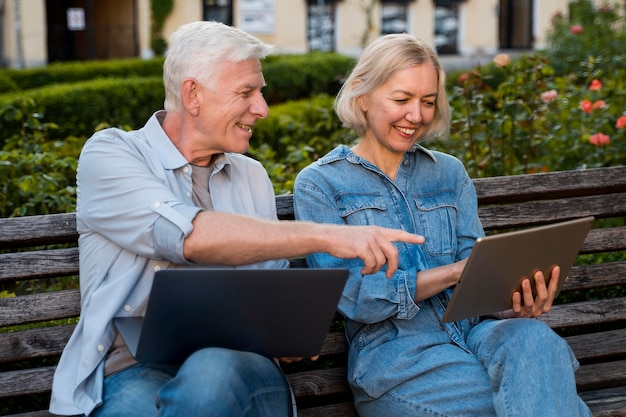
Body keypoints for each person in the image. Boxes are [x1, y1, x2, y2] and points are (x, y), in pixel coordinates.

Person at [49, 22, 424, 417]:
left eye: (259, 92)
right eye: (246, 92)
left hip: (240, 366)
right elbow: (186, 234)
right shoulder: (111, 154)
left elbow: (271, 291)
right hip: (132, 370)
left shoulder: (250, 175)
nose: (261, 108)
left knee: (212, 371)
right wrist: (326, 236)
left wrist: (288, 335)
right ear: (192, 94)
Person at [293, 33, 592, 417]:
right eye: (401, 100)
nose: (416, 116)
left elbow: (478, 274)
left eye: (428, 102)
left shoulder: (449, 173)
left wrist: (514, 300)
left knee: (535, 340)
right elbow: (354, 296)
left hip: (478, 335)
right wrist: (452, 273)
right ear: (361, 95)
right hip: (399, 361)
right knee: (545, 399)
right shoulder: (322, 184)